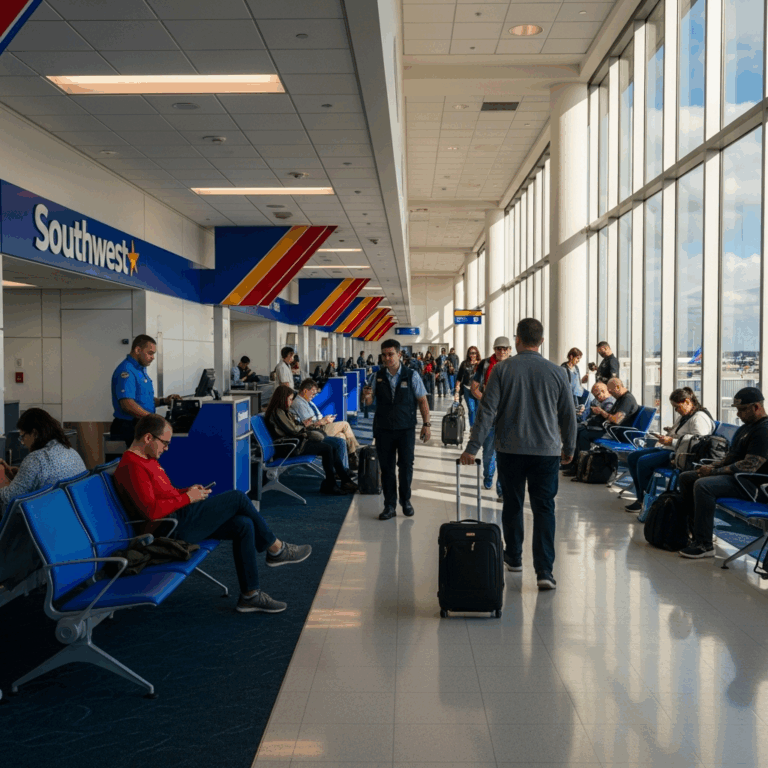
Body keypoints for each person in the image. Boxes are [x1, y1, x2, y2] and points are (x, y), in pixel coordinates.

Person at [114, 413, 311, 614]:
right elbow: (152, 512)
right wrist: (188, 498)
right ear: (148, 438)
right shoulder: (133, 466)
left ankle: (250, 595)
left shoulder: (147, 459)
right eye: (164, 443)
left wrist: (186, 491)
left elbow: (162, 494)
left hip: (180, 517)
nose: (167, 448)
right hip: (170, 529)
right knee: (237, 498)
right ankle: (276, 549)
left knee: (243, 524)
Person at [460, 318, 576, 591]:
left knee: (512, 503)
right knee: (544, 508)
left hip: (510, 449)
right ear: (542, 341)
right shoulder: (558, 372)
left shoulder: (502, 370)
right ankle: (545, 571)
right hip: (547, 452)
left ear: (517, 340)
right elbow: (568, 415)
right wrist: (569, 448)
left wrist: (472, 447)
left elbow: (487, 411)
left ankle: (513, 557)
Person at [677, 387, 768, 559]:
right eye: (737, 410)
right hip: (737, 479)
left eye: (742, 410)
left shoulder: (763, 431)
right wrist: (711, 468)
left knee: (703, 486)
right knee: (687, 477)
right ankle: (693, 532)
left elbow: (749, 466)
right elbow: (730, 458)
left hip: (754, 486)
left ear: (756, 407)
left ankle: (704, 545)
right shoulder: (745, 429)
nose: (738, 415)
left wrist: (714, 472)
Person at [362, 338, 431, 520]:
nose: (387, 358)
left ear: (399, 354)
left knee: (406, 466)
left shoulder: (411, 375)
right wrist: (366, 397)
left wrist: (427, 424)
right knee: (387, 469)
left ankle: (406, 501)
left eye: (391, 354)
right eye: (384, 355)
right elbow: (369, 403)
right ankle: (389, 505)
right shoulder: (376, 376)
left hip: (406, 429)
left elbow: (422, 400)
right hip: (384, 429)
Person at [624, 388, 715, 512]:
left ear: (687, 402)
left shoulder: (699, 418)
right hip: (670, 449)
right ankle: (641, 497)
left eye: (677, 407)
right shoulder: (686, 416)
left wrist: (671, 441)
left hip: (681, 455)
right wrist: (670, 435)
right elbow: (684, 435)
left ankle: (645, 501)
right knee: (633, 457)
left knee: (643, 462)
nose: (676, 410)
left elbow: (699, 442)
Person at [265, 385, 357, 495]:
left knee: (331, 448)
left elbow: (293, 427)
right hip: (290, 447)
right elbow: (293, 430)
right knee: (327, 449)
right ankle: (332, 484)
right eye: (289, 399)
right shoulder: (278, 412)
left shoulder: (282, 411)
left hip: (294, 443)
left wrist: (303, 426)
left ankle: (344, 481)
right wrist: (305, 427)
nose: (291, 402)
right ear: (282, 398)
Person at [0, 408, 87, 517]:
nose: (22, 442)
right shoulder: (71, 451)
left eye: (23, 436)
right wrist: (20, 475)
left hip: (42, 520)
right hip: (70, 515)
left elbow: (8, 498)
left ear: (35, 433)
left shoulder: (36, 459)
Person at [110, 334, 181, 447]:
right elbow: (127, 404)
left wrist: (164, 401)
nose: (153, 357)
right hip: (128, 428)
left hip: (141, 425)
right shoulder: (126, 371)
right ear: (138, 350)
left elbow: (143, 400)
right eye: (150, 353)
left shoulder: (140, 370)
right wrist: (155, 420)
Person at [562, 377, 638, 475]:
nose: (609, 393)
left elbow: (616, 420)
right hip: (612, 430)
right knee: (580, 431)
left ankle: (581, 467)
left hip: (617, 433)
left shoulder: (627, 400)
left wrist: (601, 412)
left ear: (618, 387)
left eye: (611, 390)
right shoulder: (621, 399)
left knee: (583, 434)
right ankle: (576, 465)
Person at [470, 337, 512, 498]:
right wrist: (488, 401)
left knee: (505, 455)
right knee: (488, 453)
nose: (502, 351)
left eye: (505, 348)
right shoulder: (486, 364)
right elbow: (474, 388)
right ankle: (488, 475)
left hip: (508, 417)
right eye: (499, 348)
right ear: (494, 350)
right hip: (489, 417)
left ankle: (501, 489)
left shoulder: (514, 365)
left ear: (510, 350)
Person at [290, 378, 360, 469]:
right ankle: (354, 453)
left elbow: (316, 417)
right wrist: (323, 421)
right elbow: (308, 423)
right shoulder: (299, 403)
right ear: (305, 391)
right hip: (316, 430)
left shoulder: (308, 402)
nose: (314, 395)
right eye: (313, 393)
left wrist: (325, 419)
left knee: (341, 436)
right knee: (345, 424)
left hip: (321, 426)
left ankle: (343, 467)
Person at [454, 346, 481, 426]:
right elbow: (459, 378)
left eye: (474, 353)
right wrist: (457, 391)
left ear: (477, 354)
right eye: (471, 353)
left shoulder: (481, 364)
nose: (473, 355)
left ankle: (477, 427)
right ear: (468, 354)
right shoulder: (464, 364)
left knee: (478, 409)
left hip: (478, 390)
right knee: (471, 409)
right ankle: (472, 428)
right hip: (467, 389)